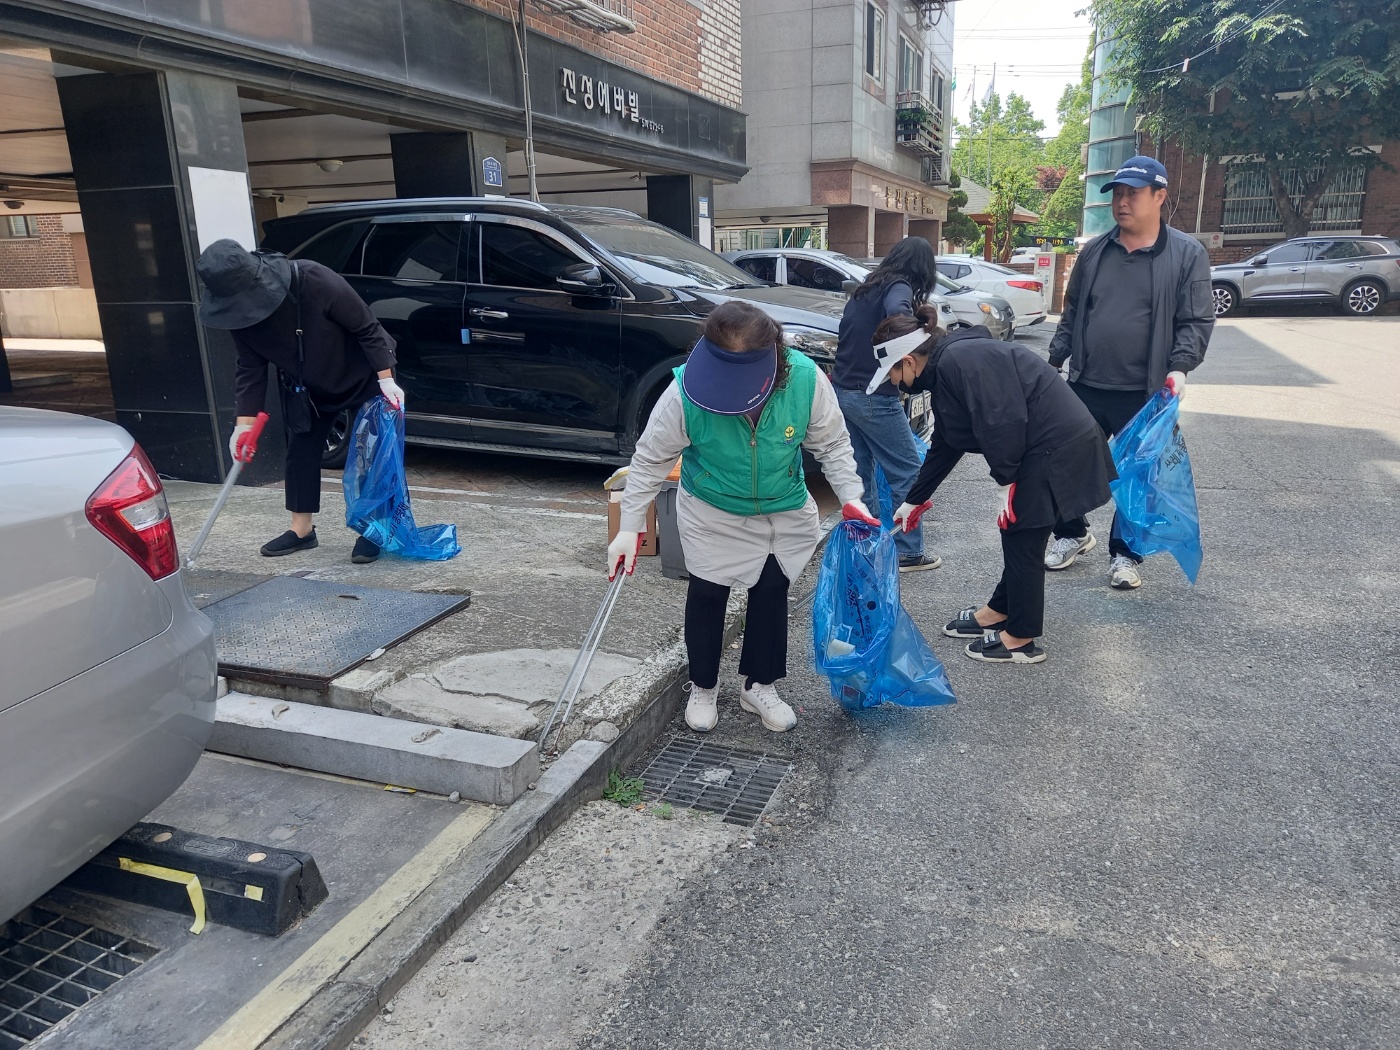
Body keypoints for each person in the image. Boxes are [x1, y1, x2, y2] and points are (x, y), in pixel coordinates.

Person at [608, 301, 875, 733]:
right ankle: (703, 686)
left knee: (772, 589)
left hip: (782, 508)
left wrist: (851, 496)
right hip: (712, 508)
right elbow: (650, 462)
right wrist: (628, 528)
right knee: (708, 593)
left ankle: (759, 685)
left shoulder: (805, 380)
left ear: (773, 358)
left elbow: (833, 446)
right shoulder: (683, 393)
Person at [875, 310, 1116, 665]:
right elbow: (947, 442)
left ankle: (1021, 636)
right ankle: (1000, 609)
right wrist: (915, 499)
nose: (896, 383)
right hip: (1038, 446)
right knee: (1018, 536)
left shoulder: (962, 360)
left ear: (908, 361)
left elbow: (1003, 420)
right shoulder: (947, 366)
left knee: (1022, 534)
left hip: (1053, 446)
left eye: (893, 373)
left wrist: (1007, 479)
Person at [1044, 156, 1215, 589]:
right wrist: (1055, 360)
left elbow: (1195, 320)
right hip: (1086, 381)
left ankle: (1125, 555)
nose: (1122, 202)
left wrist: (1179, 369)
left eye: (1132, 194)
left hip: (1147, 389)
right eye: (1117, 194)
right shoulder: (1096, 252)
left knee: (1138, 475)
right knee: (1061, 462)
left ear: (1159, 196)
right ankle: (1072, 532)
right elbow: (1074, 310)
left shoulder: (1186, 254)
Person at [196, 239, 405, 564]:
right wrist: (243, 426)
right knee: (301, 452)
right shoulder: (240, 316)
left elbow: (367, 328)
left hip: (363, 376)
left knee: (372, 453)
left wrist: (387, 379)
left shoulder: (314, 279)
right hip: (307, 387)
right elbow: (250, 369)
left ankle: (373, 529)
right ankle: (302, 530)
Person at [831, 236, 942, 572]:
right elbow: (898, 313)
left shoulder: (867, 288)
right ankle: (907, 551)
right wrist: (917, 334)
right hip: (874, 395)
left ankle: (866, 546)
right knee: (907, 469)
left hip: (844, 391)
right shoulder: (899, 286)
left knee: (859, 471)